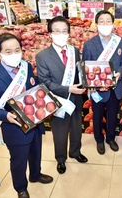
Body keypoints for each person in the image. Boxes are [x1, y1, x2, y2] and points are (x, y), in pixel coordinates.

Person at [0, 33, 53, 198]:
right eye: (8, 51)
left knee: (36, 152)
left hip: (34, 121)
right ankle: (21, 188)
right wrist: (4, 115)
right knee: (19, 159)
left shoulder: (26, 67)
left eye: (17, 50)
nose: (14, 54)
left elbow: (34, 86)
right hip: (14, 127)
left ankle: (35, 175)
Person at [36, 16, 88, 175]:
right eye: (57, 31)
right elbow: (44, 82)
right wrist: (68, 89)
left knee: (76, 128)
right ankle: (60, 159)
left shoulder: (74, 51)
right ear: (50, 34)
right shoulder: (42, 56)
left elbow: (79, 73)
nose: (61, 34)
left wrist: (86, 82)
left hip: (76, 97)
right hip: (57, 100)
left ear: (69, 33)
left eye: (65, 31)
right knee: (59, 132)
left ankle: (75, 151)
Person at [82, 10, 122, 155]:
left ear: (113, 24)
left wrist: (119, 73)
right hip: (97, 89)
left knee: (113, 114)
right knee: (97, 115)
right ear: (96, 24)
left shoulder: (119, 42)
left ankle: (110, 138)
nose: (105, 24)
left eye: (108, 21)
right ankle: (99, 140)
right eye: (101, 21)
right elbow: (85, 67)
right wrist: (93, 84)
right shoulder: (89, 44)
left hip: (114, 88)